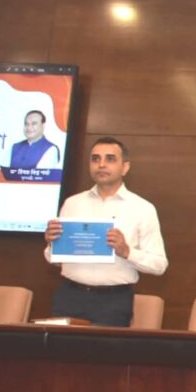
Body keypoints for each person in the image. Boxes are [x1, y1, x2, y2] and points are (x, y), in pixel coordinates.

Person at [43, 137, 168, 326]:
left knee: (105, 347)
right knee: (62, 346)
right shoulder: (72, 203)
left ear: (125, 167)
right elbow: (55, 260)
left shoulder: (143, 208)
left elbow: (159, 265)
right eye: (95, 159)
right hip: (69, 296)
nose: (101, 165)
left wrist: (127, 251)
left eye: (110, 159)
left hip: (113, 302)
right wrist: (53, 244)